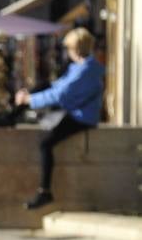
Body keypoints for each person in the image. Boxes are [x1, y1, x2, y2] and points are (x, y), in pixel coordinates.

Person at [14, 27, 104, 210]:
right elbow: (56, 87)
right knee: (42, 86)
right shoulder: (80, 67)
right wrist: (30, 96)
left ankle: (44, 191)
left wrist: (30, 100)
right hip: (75, 113)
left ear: (75, 49)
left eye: (69, 48)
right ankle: (11, 114)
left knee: (46, 144)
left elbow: (60, 95)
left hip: (82, 117)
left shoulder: (85, 70)